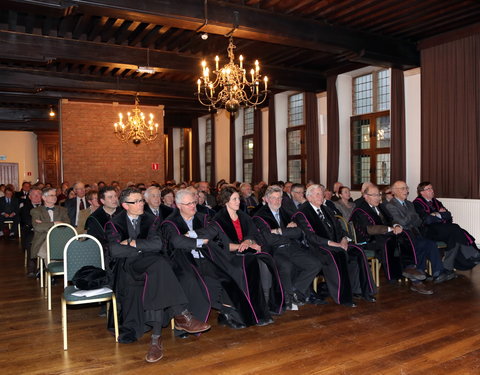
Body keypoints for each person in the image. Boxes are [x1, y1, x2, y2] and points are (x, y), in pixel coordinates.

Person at [105, 187, 211, 363]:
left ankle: (156, 338)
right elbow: (115, 250)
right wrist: (141, 248)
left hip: (151, 263)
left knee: (159, 271)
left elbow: (157, 245)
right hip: (128, 267)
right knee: (161, 265)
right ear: (125, 205)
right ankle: (182, 314)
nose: (141, 204)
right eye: (136, 201)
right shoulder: (114, 223)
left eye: (141, 200)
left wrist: (131, 242)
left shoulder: (151, 219)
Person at [292, 184, 376, 306]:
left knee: (358, 251)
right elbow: (311, 237)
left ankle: (361, 290)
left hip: (337, 243)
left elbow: (339, 227)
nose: (321, 196)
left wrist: (344, 239)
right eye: (317, 194)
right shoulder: (302, 213)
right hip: (318, 247)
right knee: (338, 254)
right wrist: (334, 244)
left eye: (322, 193)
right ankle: (343, 297)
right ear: (309, 197)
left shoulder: (326, 209)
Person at [212, 186, 283, 326]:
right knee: (249, 267)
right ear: (226, 201)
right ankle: (232, 312)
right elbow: (220, 245)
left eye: (238, 198)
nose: (239, 201)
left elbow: (253, 235)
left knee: (265, 263)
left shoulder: (243, 216)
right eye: (235, 199)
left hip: (245, 253)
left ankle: (263, 307)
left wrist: (248, 241)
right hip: (228, 256)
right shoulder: (218, 219)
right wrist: (240, 246)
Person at [252, 185, 322, 308]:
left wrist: (279, 231)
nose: (277, 201)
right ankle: (288, 298)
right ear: (266, 199)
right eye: (273, 198)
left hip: (292, 247)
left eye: (279, 198)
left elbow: (299, 232)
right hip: (274, 250)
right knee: (286, 266)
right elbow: (268, 239)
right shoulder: (259, 216)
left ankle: (295, 290)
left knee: (315, 263)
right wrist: (288, 232)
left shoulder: (286, 212)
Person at [384, 181, 453, 293]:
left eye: (406, 188)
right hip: (403, 237)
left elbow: (419, 221)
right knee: (421, 245)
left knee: (430, 244)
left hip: (415, 232)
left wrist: (410, 218)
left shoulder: (410, 204)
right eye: (402, 188)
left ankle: (438, 272)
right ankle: (417, 279)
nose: (406, 191)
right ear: (394, 191)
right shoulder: (390, 205)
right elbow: (401, 222)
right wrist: (411, 216)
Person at [350, 184, 424, 285]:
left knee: (405, 233)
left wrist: (397, 225)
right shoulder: (360, 210)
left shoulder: (381, 207)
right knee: (388, 241)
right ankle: (393, 275)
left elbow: (391, 219)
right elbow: (369, 229)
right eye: (375, 195)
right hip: (368, 240)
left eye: (379, 195)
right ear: (366, 196)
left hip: (383, 235)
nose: (378, 198)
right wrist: (390, 229)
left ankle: (410, 267)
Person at [413, 181, 480, 270]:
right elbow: (427, 220)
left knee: (454, 236)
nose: (432, 190)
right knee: (455, 228)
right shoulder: (417, 203)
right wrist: (440, 214)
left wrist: (435, 215)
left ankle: (448, 266)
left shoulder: (436, 202)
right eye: (428, 189)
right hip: (429, 231)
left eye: (432, 188)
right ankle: (471, 253)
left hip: (443, 229)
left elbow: (449, 216)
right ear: (422, 192)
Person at [30, 188, 70, 262]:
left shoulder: (62, 210)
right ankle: (51, 268)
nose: (54, 197)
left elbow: (67, 225)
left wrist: (44, 224)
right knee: (48, 247)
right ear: (44, 198)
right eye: (51, 195)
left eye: (55, 195)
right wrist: (55, 223)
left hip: (60, 238)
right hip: (43, 239)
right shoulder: (36, 211)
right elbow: (37, 227)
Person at [19, 186, 43, 277]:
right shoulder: (25, 207)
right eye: (35, 195)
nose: (37, 197)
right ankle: (31, 268)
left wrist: (41, 223)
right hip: (31, 231)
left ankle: (46, 267)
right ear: (30, 197)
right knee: (31, 241)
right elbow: (28, 221)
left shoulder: (46, 206)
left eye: (39, 195)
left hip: (45, 231)